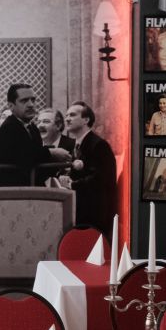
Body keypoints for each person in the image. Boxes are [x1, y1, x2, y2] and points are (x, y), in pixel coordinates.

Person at [0, 84, 71, 187]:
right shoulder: (8, 127)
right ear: (11, 106)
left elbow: (37, 162)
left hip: (30, 189)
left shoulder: (33, 127)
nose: (31, 104)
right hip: (12, 191)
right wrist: (52, 153)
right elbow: (24, 156)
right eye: (24, 101)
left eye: (33, 100)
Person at [64, 100, 117, 234]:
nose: (67, 119)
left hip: (95, 214)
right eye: (66, 115)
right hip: (81, 210)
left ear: (86, 120)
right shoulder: (75, 145)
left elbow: (100, 179)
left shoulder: (99, 145)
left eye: (72, 115)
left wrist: (71, 185)